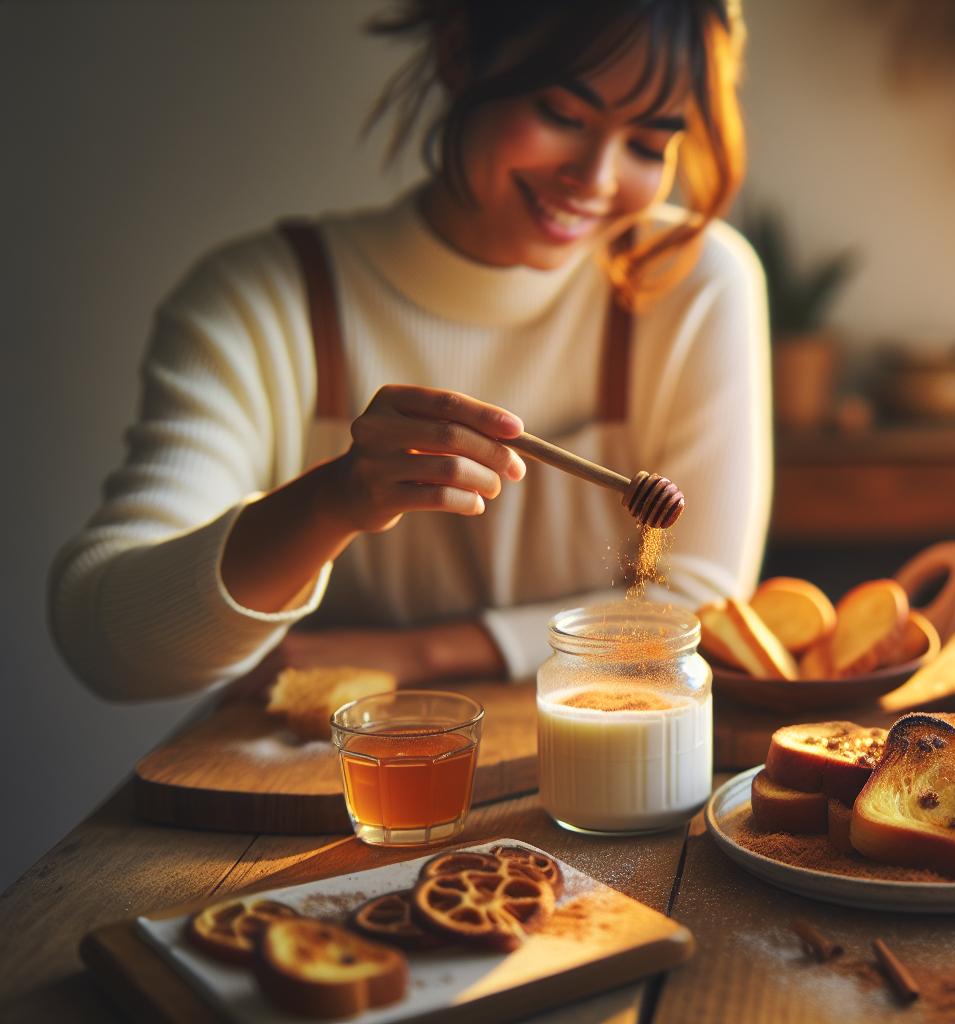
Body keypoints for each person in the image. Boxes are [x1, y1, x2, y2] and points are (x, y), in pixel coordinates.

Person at [49, 0, 770, 701]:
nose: (598, 178)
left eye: (648, 146)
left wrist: (418, 653)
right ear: (459, 50)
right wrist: (330, 504)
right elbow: (106, 640)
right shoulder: (264, 301)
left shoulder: (690, 283)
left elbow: (702, 596)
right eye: (562, 114)